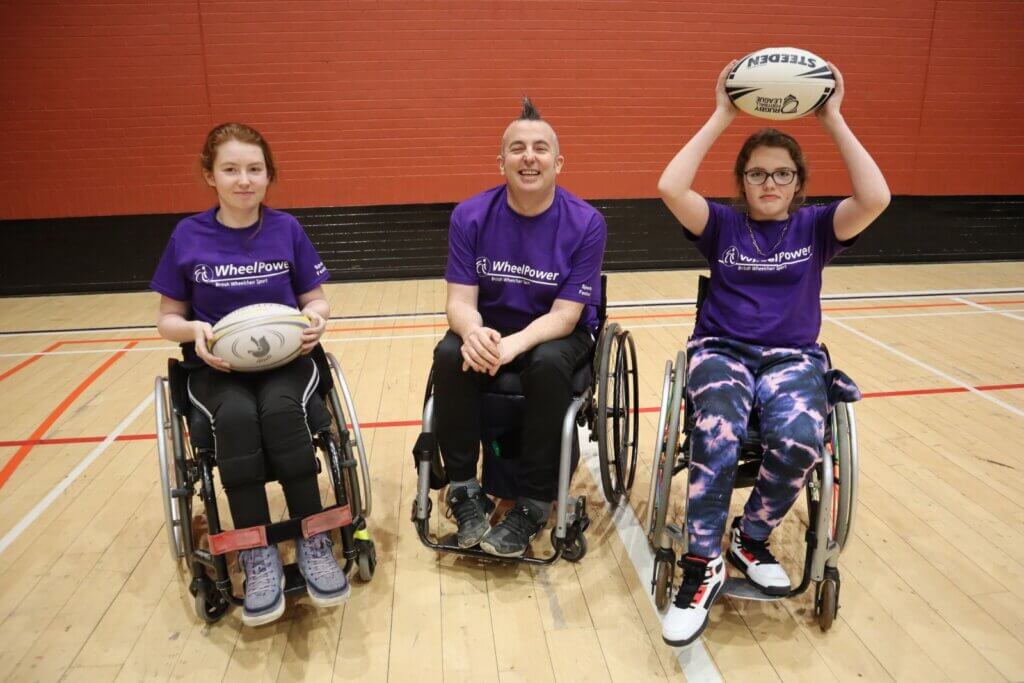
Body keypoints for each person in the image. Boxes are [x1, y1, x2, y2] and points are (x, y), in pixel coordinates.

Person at [656, 62, 889, 646]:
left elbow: (877, 196)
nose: (769, 183)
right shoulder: (723, 226)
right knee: (714, 430)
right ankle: (702, 564)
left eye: (781, 174)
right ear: (743, 179)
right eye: (758, 173)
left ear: (797, 181)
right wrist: (722, 114)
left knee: (802, 439)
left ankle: (750, 536)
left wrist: (832, 116)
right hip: (723, 352)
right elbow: (669, 187)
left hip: (792, 359)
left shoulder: (816, 228)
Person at [151, 123, 348, 626]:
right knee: (236, 420)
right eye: (231, 169)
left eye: (254, 169)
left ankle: (313, 538)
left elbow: (316, 299)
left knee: (283, 413)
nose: (244, 180)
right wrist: (192, 329)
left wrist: (317, 320)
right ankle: (255, 552)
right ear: (210, 176)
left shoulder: (287, 229)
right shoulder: (188, 235)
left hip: (286, 361)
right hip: (217, 367)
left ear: (268, 176)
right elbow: (166, 317)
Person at [433, 98, 607, 558]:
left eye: (540, 148)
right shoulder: (469, 215)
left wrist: (510, 346)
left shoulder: (587, 222)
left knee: (548, 364)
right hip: (490, 329)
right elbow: (459, 301)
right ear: (502, 161)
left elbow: (566, 316)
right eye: (517, 148)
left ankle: (532, 502)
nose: (529, 157)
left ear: (558, 162)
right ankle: (464, 490)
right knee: (450, 354)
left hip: (554, 334)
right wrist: (473, 333)